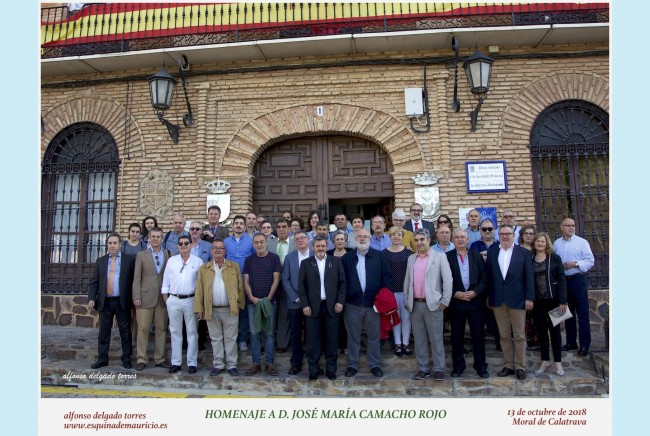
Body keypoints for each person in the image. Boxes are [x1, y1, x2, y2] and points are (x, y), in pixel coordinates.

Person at [482, 224, 534, 380]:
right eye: (502, 234)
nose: (505, 236)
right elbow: (488, 277)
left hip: (518, 299)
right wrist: (488, 296)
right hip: (498, 300)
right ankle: (508, 365)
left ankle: (520, 366)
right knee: (503, 335)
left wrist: (529, 298)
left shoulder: (524, 253)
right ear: (498, 236)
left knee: (519, 335)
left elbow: (529, 277)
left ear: (513, 235)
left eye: (508, 234)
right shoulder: (492, 252)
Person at [341, 228, 392, 378]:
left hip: (374, 304)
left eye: (365, 236)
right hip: (352, 304)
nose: (362, 239)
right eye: (359, 236)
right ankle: (352, 365)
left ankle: (375, 365)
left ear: (370, 238)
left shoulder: (380, 256)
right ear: (354, 238)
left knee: (374, 336)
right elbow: (342, 281)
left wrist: (381, 299)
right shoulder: (347, 258)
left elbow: (387, 279)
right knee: (353, 337)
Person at [404, 228, 453, 381]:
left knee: (436, 338)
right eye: (416, 240)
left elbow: (448, 280)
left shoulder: (439, 257)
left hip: (434, 305)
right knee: (419, 339)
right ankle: (423, 368)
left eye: (421, 240)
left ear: (428, 240)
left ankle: (438, 368)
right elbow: (407, 281)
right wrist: (407, 300)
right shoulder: (411, 258)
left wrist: (445, 302)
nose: (419, 243)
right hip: (416, 305)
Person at [298, 235, 347, 380]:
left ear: (327, 247)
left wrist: (340, 302)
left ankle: (331, 370)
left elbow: (343, 284)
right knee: (312, 340)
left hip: (332, 307)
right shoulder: (306, 263)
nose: (320, 248)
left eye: (323, 246)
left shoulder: (336, 262)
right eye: (317, 246)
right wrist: (305, 304)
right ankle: (313, 370)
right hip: (312, 308)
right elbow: (302, 287)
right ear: (313, 247)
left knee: (332, 340)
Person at [194, 239, 245, 377]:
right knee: (215, 339)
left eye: (221, 248)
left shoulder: (233, 266)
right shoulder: (204, 268)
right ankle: (218, 365)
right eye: (215, 248)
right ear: (211, 251)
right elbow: (199, 290)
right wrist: (199, 308)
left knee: (231, 338)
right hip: (212, 309)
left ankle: (232, 365)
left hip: (230, 309)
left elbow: (240, 288)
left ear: (225, 251)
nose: (218, 250)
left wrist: (239, 304)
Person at [87, 233, 136, 369]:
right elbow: (94, 282)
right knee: (104, 332)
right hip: (105, 301)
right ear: (107, 245)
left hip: (122, 301)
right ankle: (102, 358)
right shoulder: (101, 261)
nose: (112, 246)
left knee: (125, 331)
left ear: (120, 245)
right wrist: (91, 298)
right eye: (110, 243)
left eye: (115, 243)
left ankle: (126, 358)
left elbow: (134, 281)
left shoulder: (129, 260)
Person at [446, 229, 488, 378]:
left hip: (475, 301)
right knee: (456, 336)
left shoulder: (477, 256)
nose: (460, 239)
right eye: (456, 237)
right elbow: (442, 280)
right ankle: (458, 366)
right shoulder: (447, 257)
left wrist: (476, 292)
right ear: (453, 239)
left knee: (478, 335)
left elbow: (485, 278)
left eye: (462, 237)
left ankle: (481, 366)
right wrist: (454, 293)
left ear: (467, 239)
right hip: (456, 302)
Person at [161, 235, 203, 374]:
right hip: (174, 300)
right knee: (175, 332)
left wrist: (199, 303)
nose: (183, 246)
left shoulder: (198, 262)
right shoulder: (171, 261)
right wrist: (167, 299)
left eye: (186, 243)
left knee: (192, 332)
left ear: (191, 245)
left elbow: (201, 284)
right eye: (181, 244)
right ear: (177, 246)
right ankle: (176, 362)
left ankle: (192, 363)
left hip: (191, 300)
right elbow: (165, 281)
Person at [554, 217, 595, 356]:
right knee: (567, 313)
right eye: (568, 225)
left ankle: (584, 345)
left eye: (573, 225)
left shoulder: (582, 242)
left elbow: (590, 261)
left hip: (578, 280)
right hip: (564, 282)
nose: (572, 228)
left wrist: (576, 264)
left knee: (582, 314)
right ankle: (571, 342)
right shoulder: (556, 244)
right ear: (562, 227)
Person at [243, 233, 282, 376]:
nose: (259, 245)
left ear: (266, 242)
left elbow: (276, 280)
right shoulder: (249, 260)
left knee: (269, 334)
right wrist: (252, 298)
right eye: (256, 242)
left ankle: (270, 364)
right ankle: (256, 364)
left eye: (261, 242)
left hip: (269, 302)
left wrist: (268, 298)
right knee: (254, 334)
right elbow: (246, 281)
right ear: (253, 244)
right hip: (253, 303)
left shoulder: (274, 258)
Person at [132, 227, 170, 371]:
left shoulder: (168, 254)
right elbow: (137, 278)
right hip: (145, 297)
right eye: (153, 236)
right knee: (143, 329)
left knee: (161, 329)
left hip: (162, 298)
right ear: (148, 238)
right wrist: (136, 296)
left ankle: (160, 358)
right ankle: (141, 358)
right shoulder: (142, 255)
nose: (155, 239)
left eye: (158, 236)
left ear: (161, 238)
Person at [531, 233, 568, 376]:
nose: (540, 243)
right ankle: (545, 360)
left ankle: (558, 363)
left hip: (554, 301)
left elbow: (562, 280)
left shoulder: (555, 258)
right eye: (538, 241)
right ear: (534, 243)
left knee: (555, 332)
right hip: (537, 302)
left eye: (543, 241)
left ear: (547, 244)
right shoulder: (530, 258)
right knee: (541, 332)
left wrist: (563, 301)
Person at [281, 230, 312, 375]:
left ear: (308, 240)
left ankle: (313, 362)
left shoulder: (315, 255)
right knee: (295, 334)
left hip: (313, 303)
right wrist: (296, 297)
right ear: (294, 242)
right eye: (297, 238)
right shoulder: (289, 257)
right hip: (295, 303)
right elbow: (285, 279)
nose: (300, 240)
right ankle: (296, 363)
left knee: (312, 333)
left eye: (303, 238)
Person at [224, 215, 256, 352]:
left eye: (241, 223)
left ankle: (243, 339)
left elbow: (255, 259)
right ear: (232, 226)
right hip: (228, 280)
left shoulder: (250, 241)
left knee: (243, 310)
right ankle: (229, 339)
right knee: (229, 309)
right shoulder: (225, 242)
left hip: (245, 280)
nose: (238, 225)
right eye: (236, 223)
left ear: (244, 226)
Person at [267, 218, 296, 353]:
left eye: (284, 226)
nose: (281, 229)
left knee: (285, 314)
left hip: (289, 283)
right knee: (270, 313)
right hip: (271, 283)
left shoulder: (295, 244)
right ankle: (267, 342)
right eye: (278, 227)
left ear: (289, 229)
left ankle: (282, 343)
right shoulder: (269, 243)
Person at [383, 226, 412, 357]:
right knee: (395, 319)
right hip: (391, 291)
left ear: (402, 237)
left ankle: (406, 344)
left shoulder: (409, 253)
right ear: (389, 237)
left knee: (406, 318)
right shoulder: (384, 253)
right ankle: (398, 344)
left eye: (399, 235)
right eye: (393, 235)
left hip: (406, 291)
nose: (396, 237)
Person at [188, 220, 212, 351]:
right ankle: (187, 342)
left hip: (203, 283)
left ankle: (201, 340)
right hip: (187, 283)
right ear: (189, 231)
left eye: (197, 229)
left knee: (201, 312)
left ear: (201, 231)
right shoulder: (185, 244)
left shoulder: (208, 246)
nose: (195, 231)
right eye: (192, 229)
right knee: (188, 312)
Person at [518, 224, 538, 350]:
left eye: (531, 233)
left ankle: (538, 341)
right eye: (526, 233)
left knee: (538, 315)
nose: (529, 235)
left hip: (538, 287)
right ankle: (526, 342)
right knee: (525, 317)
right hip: (522, 287)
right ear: (522, 236)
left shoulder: (538, 249)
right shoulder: (518, 250)